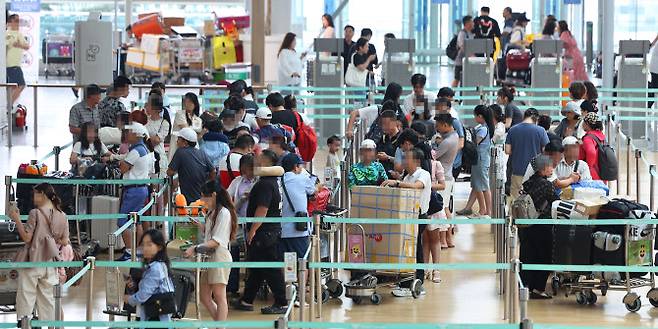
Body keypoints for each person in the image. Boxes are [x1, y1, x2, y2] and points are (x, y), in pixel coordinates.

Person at [233, 150, 288, 314]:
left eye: (260, 159)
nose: (256, 162)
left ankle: (281, 302)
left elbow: (262, 210)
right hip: (269, 232)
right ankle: (247, 299)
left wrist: (253, 230)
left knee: (269, 268)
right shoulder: (272, 181)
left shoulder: (265, 183)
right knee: (256, 266)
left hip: (264, 233)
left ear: (267, 163)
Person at [8, 183, 70, 324]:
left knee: (26, 295)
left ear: (42, 194)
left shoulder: (35, 213)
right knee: (48, 299)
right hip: (50, 262)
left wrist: (17, 219)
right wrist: (50, 240)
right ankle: (49, 325)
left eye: (35, 194)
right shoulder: (63, 216)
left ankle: (24, 324)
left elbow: (27, 238)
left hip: (33, 260)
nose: (33, 197)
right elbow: (65, 241)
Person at [185, 179, 238, 325]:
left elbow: (216, 241)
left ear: (213, 195)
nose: (202, 200)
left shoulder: (223, 213)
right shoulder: (213, 212)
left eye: (204, 196)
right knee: (204, 295)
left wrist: (195, 248)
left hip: (219, 256)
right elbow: (212, 234)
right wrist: (201, 225)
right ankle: (220, 324)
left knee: (219, 296)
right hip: (210, 257)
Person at [382, 148, 432, 297]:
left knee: (416, 249)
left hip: (418, 217)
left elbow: (417, 187)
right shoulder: (407, 177)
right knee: (406, 250)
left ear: (416, 161)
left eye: (406, 158)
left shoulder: (423, 174)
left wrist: (396, 183)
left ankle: (418, 283)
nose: (404, 161)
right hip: (406, 218)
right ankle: (405, 282)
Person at [519, 155, 558, 299]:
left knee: (528, 255)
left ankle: (526, 286)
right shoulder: (546, 185)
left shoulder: (528, 183)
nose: (552, 168)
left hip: (527, 225)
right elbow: (556, 201)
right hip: (542, 225)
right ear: (543, 168)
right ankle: (538, 288)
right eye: (550, 166)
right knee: (544, 256)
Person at [115, 122, 154, 261]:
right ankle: (137, 251)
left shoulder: (136, 151)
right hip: (142, 188)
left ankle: (129, 252)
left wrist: (120, 162)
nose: (127, 134)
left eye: (130, 132)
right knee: (136, 221)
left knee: (122, 221)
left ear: (137, 135)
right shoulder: (144, 149)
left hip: (133, 190)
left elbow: (123, 168)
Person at [125, 229, 175, 325]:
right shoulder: (161, 264)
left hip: (155, 318)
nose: (145, 248)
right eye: (143, 244)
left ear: (159, 247)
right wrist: (134, 286)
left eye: (149, 244)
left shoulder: (155, 268)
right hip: (159, 315)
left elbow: (143, 295)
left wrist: (129, 299)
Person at [455, 105, 494, 218]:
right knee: (480, 185)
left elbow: (474, 143)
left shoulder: (482, 129)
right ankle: (486, 211)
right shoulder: (486, 127)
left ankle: (483, 211)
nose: (474, 118)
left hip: (480, 160)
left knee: (480, 186)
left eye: (475, 116)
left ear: (480, 116)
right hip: (482, 159)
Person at [225, 154, 255, 296]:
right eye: (243, 170)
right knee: (233, 250)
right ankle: (232, 287)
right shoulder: (237, 182)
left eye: (248, 169)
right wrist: (242, 199)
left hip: (254, 225)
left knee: (253, 255)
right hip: (238, 224)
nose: (246, 173)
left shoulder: (260, 181)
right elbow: (227, 200)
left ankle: (251, 288)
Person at [505, 108, 549, 200]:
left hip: (517, 170)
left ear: (524, 117)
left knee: (516, 200)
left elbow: (507, 150)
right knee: (534, 200)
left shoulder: (512, 129)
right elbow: (546, 151)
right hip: (535, 172)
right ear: (536, 119)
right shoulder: (541, 130)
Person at [280, 153, 316, 261]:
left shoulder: (278, 180)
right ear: (296, 167)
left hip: (282, 231)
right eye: (301, 165)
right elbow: (313, 191)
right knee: (302, 262)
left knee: (287, 262)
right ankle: (301, 279)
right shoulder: (302, 179)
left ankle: (288, 279)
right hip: (299, 230)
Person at [167, 127, 216, 203]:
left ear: (185, 142)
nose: (177, 141)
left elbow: (170, 172)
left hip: (189, 197)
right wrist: (206, 181)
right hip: (202, 196)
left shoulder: (180, 152)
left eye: (179, 139)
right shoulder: (201, 152)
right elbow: (213, 171)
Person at [433, 114, 460, 248]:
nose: (436, 128)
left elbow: (434, 156)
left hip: (443, 177)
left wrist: (433, 146)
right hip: (448, 175)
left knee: (443, 209)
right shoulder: (453, 137)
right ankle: (448, 238)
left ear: (444, 124)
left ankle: (444, 239)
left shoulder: (447, 141)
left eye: (438, 125)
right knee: (446, 208)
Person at [424, 153, 446, 283]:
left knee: (434, 238)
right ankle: (425, 268)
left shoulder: (436, 165)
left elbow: (442, 185)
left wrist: (426, 186)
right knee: (424, 239)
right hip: (421, 205)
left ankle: (436, 269)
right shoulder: (416, 167)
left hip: (433, 205)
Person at [169, 92, 203, 161]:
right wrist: (199, 132)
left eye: (190, 102)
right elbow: (186, 131)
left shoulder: (198, 119)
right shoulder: (179, 114)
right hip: (178, 146)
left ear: (195, 104)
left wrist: (199, 133)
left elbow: (198, 137)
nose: (187, 104)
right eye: (186, 101)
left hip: (192, 147)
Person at [144, 92, 170, 178]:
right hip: (145, 157)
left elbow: (156, 140)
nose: (146, 106)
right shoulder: (144, 120)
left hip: (159, 159)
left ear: (155, 108)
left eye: (148, 104)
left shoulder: (164, 123)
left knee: (158, 186)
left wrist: (144, 138)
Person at [6, 14, 29, 107]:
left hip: (16, 64)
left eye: (18, 21)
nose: (17, 23)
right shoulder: (7, 34)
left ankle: (8, 105)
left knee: (13, 86)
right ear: (10, 22)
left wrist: (19, 45)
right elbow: (7, 45)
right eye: (15, 21)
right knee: (21, 85)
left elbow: (26, 46)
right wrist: (18, 44)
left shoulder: (19, 34)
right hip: (11, 64)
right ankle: (9, 105)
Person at [579, 112, 606, 181]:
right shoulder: (600, 136)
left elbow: (591, 153)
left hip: (592, 175)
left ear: (587, 124)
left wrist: (587, 168)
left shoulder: (588, 138)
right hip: (601, 172)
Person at [375, 110, 401, 174]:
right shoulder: (383, 138)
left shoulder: (401, 139)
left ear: (395, 122)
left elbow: (405, 161)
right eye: (382, 124)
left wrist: (388, 158)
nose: (384, 127)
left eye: (387, 124)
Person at [453, 16, 474, 87]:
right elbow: (462, 46)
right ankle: (450, 95)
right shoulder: (462, 33)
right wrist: (470, 55)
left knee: (465, 79)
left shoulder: (471, 33)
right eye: (472, 22)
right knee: (457, 79)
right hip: (460, 61)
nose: (473, 23)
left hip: (468, 61)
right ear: (467, 23)